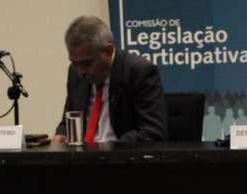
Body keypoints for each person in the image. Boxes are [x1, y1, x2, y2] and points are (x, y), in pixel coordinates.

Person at [53, 15, 167, 144]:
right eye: (74, 63)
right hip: (83, 154)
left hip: (122, 154)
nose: (80, 72)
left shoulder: (138, 71)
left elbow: (152, 132)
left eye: (87, 64)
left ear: (108, 51)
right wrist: (61, 134)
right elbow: (67, 121)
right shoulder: (74, 72)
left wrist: (109, 149)